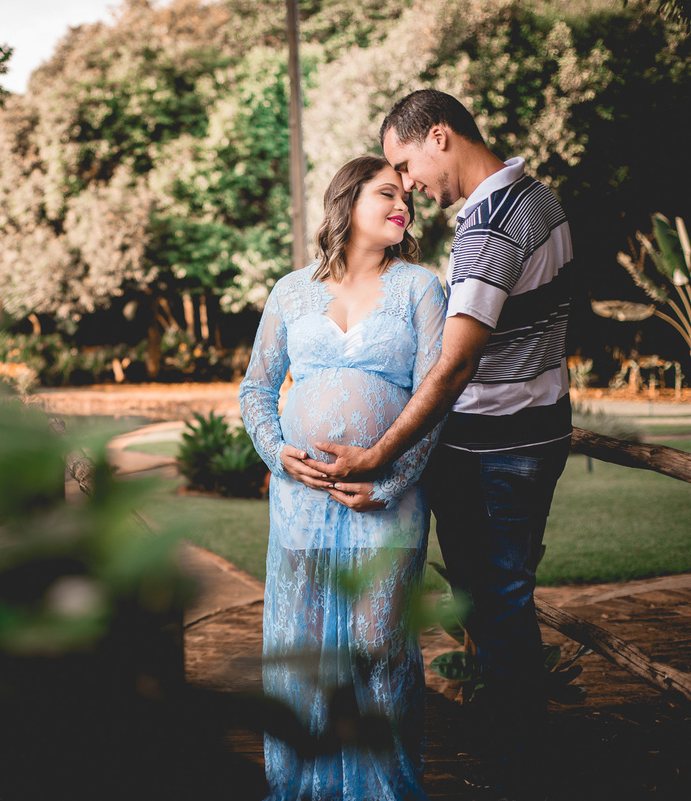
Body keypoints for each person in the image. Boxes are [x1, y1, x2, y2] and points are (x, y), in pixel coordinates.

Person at [305, 89, 575, 798]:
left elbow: (455, 364)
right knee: (494, 603)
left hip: (495, 449)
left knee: (500, 608)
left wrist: (378, 452)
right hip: (533, 431)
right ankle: (512, 752)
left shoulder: (489, 225)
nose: (410, 186)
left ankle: (521, 771)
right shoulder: (539, 199)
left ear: (439, 135)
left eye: (405, 163)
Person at [240, 154, 447, 801]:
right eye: (387, 193)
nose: (402, 205)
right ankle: (300, 785)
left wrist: (388, 482)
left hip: (385, 501)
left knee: (379, 646)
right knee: (300, 652)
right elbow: (256, 388)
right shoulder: (290, 290)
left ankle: (385, 788)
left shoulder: (421, 287)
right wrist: (278, 452)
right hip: (301, 504)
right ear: (348, 201)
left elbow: (435, 400)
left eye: (406, 197)